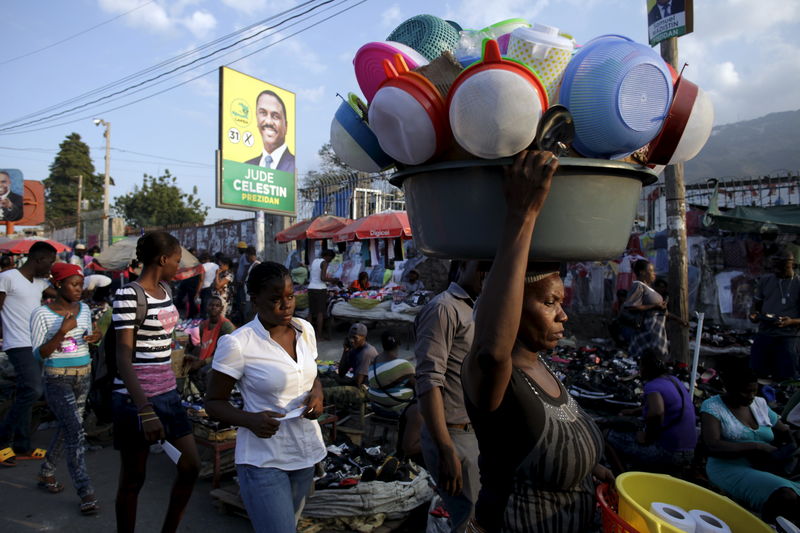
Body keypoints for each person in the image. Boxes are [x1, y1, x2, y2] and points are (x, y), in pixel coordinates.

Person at [462, 151, 613, 532]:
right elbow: (492, 350)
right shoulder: (493, 374)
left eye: (561, 303)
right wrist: (522, 214)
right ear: (512, 305)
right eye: (550, 303)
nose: (564, 316)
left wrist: (593, 469)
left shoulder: (540, 364)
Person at [206, 262, 325, 533]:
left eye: (290, 297)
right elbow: (213, 403)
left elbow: (310, 374)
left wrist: (317, 393)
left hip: (305, 453)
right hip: (263, 459)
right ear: (255, 299)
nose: (286, 305)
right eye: (275, 299)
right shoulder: (239, 343)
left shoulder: (304, 330)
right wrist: (249, 420)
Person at [111, 231, 199, 533]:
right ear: (162, 259)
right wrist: (145, 410)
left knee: (190, 466)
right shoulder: (128, 295)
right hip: (135, 400)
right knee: (134, 479)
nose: (179, 267)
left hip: (168, 394)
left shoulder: (166, 291)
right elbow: (123, 358)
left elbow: (161, 339)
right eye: (176, 261)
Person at [414, 260, 483, 532]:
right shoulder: (444, 308)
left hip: (472, 435)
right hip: (454, 437)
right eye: (481, 266)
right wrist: (446, 449)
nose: (488, 273)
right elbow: (429, 381)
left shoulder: (479, 308)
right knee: (470, 520)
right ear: (463, 264)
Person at [30, 263, 101, 514]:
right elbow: (40, 354)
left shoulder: (84, 310)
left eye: (81, 285)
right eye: (74, 285)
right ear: (58, 284)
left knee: (69, 426)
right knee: (75, 432)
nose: (80, 290)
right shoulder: (41, 314)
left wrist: (95, 337)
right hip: (57, 379)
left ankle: (47, 471)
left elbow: (87, 337)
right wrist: (61, 332)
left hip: (83, 376)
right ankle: (85, 490)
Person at [700, 362, 800, 524]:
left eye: (754, 391)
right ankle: (763, 525)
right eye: (745, 392)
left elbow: (784, 431)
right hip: (729, 467)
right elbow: (713, 445)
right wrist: (757, 446)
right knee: (785, 495)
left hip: (764, 466)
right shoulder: (713, 407)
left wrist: (791, 441)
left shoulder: (759, 404)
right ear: (728, 388)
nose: (750, 396)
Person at [0, 241, 57, 466]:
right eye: (50, 262)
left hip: (36, 345)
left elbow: (63, 295)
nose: (51, 267)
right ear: (38, 259)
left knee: (27, 393)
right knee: (33, 389)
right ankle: (3, 438)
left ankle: (22, 445)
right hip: (17, 344)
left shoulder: (40, 283)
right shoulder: (8, 277)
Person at [606, 349, 697, 474]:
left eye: (641, 365)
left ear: (647, 367)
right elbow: (670, 406)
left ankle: (620, 476)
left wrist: (646, 437)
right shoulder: (673, 380)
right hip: (689, 450)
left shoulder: (652, 386)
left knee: (607, 436)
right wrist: (634, 411)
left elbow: (657, 412)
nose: (640, 369)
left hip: (670, 452)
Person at [749, 248, 799, 381]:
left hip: (788, 337)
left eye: (783, 267)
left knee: (786, 377)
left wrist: (791, 321)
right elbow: (756, 306)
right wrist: (754, 315)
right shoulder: (766, 280)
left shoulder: (798, 283)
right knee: (756, 373)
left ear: (792, 264)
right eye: (775, 267)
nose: (778, 271)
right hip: (765, 333)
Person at [183, 296, 234, 394]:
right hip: (207, 359)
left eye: (217, 306)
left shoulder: (226, 326)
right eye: (211, 305)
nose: (214, 308)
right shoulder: (203, 325)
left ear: (222, 309)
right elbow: (199, 346)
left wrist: (201, 363)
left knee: (203, 372)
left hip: (222, 360)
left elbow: (225, 353)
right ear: (206, 307)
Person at [623, 260, 670, 360]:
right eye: (652, 271)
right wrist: (654, 306)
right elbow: (631, 306)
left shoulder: (647, 287)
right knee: (650, 358)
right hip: (648, 329)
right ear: (642, 272)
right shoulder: (638, 285)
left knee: (656, 359)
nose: (654, 273)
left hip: (655, 329)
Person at [244, 90, 295, 173]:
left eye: (275, 116)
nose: (268, 122)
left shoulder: (294, 165)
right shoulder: (247, 167)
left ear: (286, 126)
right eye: (263, 113)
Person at [367, 330, 415, 417]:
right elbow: (416, 385)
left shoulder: (372, 363)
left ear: (382, 344)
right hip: (397, 410)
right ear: (399, 344)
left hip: (377, 408)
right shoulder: (403, 365)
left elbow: (390, 370)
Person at [307, 249, 337, 340]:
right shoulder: (324, 263)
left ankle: (309, 336)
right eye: (331, 258)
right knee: (320, 313)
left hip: (311, 288)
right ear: (328, 256)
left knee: (311, 312)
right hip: (320, 289)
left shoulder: (315, 261)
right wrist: (334, 280)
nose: (330, 261)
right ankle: (319, 336)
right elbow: (323, 278)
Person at [338, 323, 378, 387]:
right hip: (357, 383)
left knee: (326, 391)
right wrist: (345, 351)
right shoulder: (354, 348)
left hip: (366, 389)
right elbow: (341, 373)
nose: (351, 340)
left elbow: (357, 383)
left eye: (355, 338)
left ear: (364, 338)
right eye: (350, 337)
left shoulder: (366, 353)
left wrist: (340, 381)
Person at [233, 241, 251, 324]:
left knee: (242, 302)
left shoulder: (244, 256)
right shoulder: (243, 256)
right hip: (240, 282)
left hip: (242, 283)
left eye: (238, 249)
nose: (238, 250)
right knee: (240, 302)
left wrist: (242, 280)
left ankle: (243, 321)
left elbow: (247, 267)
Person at [243, 246, 261, 321]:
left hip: (251, 295)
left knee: (251, 314)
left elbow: (256, 281)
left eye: (246, 256)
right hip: (249, 295)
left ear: (248, 255)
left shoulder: (256, 265)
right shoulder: (252, 265)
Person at [199, 253, 217, 318]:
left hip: (204, 288)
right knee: (212, 307)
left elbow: (201, 279)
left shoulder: (202, 266)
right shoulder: (216, 266)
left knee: (204, 307)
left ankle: (204, 322)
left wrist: (197, 292)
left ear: (203, 260)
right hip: (213, 289)